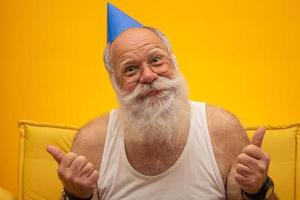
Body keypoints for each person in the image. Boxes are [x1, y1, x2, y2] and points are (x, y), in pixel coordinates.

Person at [47, 3, 276, 200]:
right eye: (131, 69)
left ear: (173, 64)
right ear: (115, 82)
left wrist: (258, 190)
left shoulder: (221, 129)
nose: (147, 76)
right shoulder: (92, 142)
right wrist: (76, 196)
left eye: (156, 60)